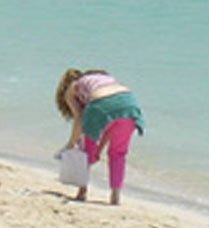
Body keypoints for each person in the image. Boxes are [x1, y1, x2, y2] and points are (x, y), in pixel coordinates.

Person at [55, 67, 144, 205]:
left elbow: (79, 119)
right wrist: (99, 150)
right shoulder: (106, 82)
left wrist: (71, 144)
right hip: (129, 103)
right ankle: (115, 197)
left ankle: (82, 192)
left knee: (85, 151)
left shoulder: (73, 87)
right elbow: (109, 127)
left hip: (100, 104)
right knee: (118, 153)